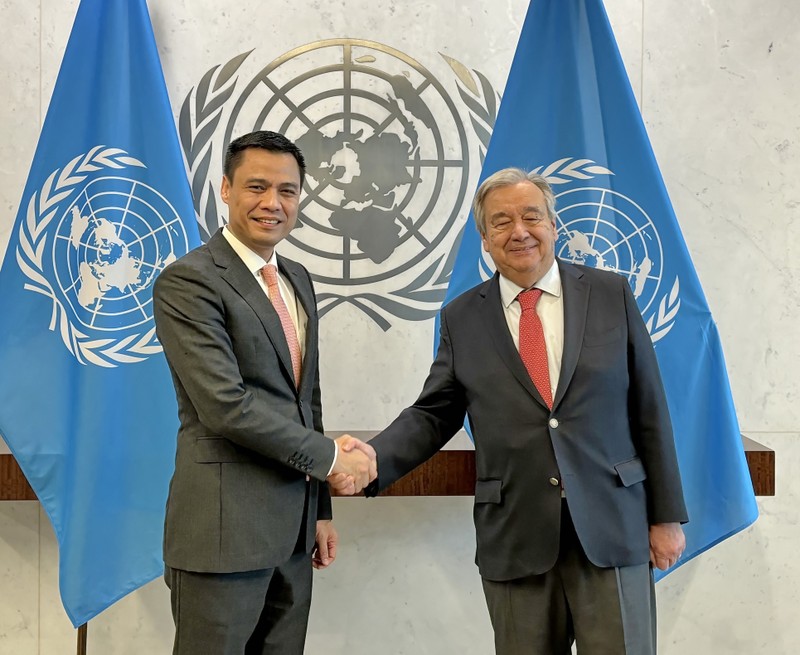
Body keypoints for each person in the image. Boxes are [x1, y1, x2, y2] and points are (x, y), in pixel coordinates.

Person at [334, 168, 688, 654]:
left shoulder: (611, 294)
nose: (519, 231)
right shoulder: (462, 316)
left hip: (612, 528)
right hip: (517, 537)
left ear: (554, 225)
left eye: (531, 217)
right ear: (485, 239)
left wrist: (665, 516)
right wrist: (373, 458)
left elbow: (649, 407)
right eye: (501, 222)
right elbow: (434, 412)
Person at [153, 130, 375, 655]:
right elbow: (225, 405)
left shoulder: (296, 277)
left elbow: (307, 403)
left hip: (294, 537)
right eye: (257, 187)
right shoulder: (189, 281)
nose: (272, 203)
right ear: (226, 189)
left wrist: (320, 509)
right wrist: (330, 459)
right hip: (223, 534)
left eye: (288, 191)